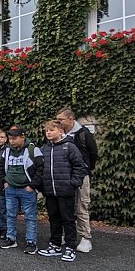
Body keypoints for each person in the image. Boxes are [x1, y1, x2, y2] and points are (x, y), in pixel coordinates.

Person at [36, 120, 88, 262]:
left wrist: (73, 183)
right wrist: (41, 186)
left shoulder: (69, 147)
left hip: (66, 191)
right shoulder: (45, 149)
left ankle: (70, 247)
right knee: (54, 219)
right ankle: (55, 245)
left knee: (68, 219)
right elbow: (39, 168)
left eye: (51, 130)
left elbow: (79, 166)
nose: (48, 133)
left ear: (60, 131)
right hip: (50, 191)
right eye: (46, 131)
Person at [57, 107, 98, 253]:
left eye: (61, 119)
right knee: (65, 206)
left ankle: (85, 238)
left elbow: (93, 153)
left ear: (70, 119)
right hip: (64, 176)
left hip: (81, 176)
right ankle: (66, 235)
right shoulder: (59, 134)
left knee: (81, 206)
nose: (58, 122)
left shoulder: (83, 134)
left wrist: (85, 170)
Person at [0, 125, 43, 253]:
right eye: (10, 138)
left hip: (27, 190)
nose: (11, 141)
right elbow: (0, 167)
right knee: (10, 215)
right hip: (11, 189)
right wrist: (5, 181)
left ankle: (31, 242)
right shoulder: (7, 151)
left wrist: (32, 185)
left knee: (30, 216)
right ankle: (11, 239)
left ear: (23, 137)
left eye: (14, 138)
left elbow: (40, 169)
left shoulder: (33, 150)